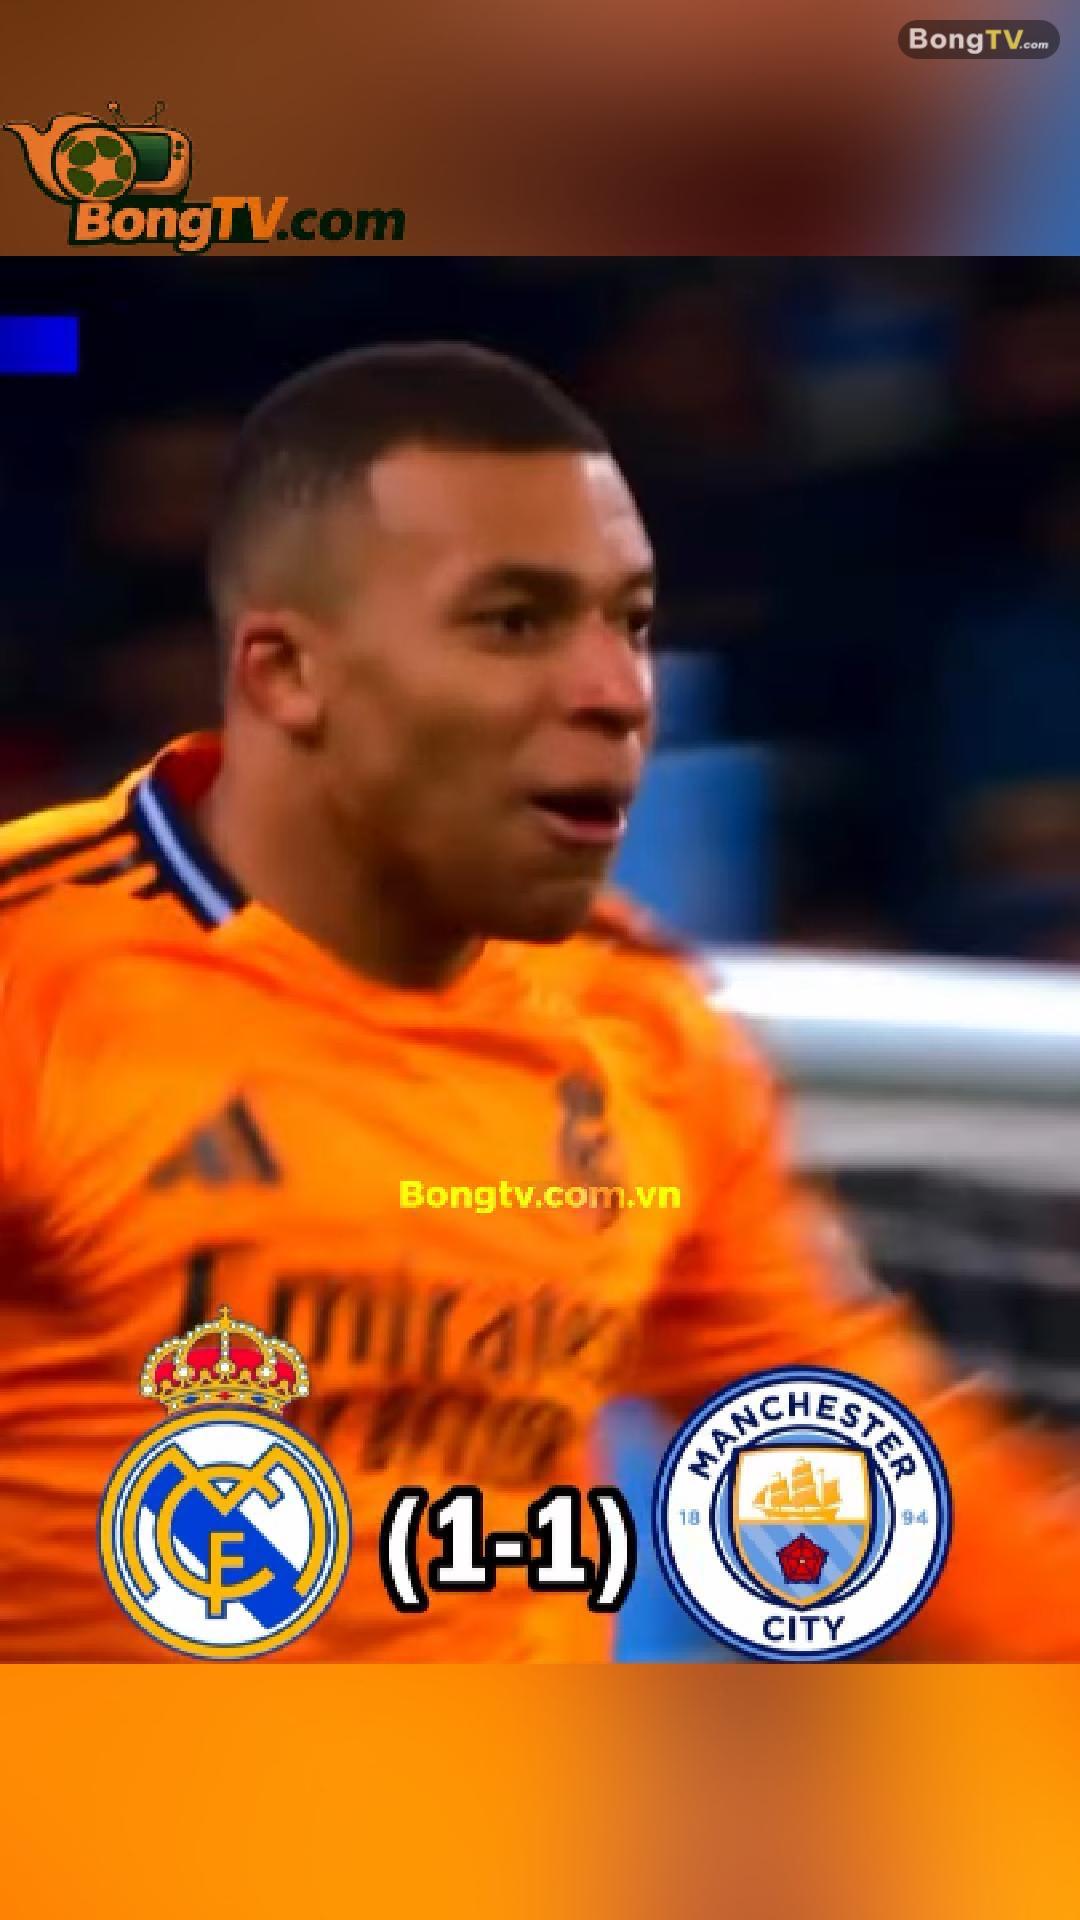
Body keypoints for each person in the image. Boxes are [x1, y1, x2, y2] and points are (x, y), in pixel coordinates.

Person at [0, 341, 1076, 1661]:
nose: (614, 695)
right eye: (514, 621)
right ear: (288, 673)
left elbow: (867, 1482)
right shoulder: (36, 969)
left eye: (631, 623)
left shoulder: (641, 1032)